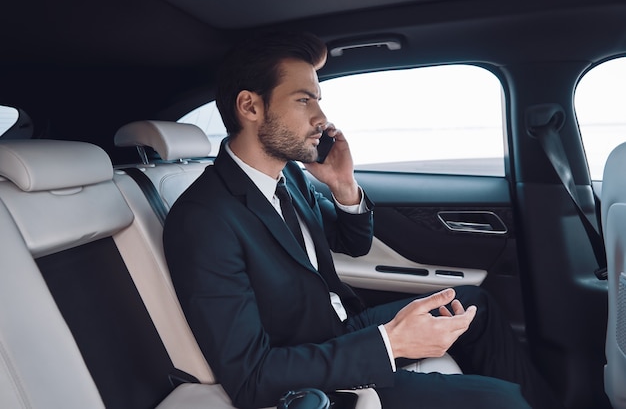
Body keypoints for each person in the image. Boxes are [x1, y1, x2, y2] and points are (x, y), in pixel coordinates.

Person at [163, 31, 562, 409]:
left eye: (318, 100)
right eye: (304, 101)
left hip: (343, 327)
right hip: (314, 367)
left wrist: (344, 186)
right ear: (250, 106)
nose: (321, 118)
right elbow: (251, 377)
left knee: (475, 305)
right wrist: (391, 343)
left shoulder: (289, 177)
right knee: (503, 402)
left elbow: (353, 244)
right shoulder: (203, 220)